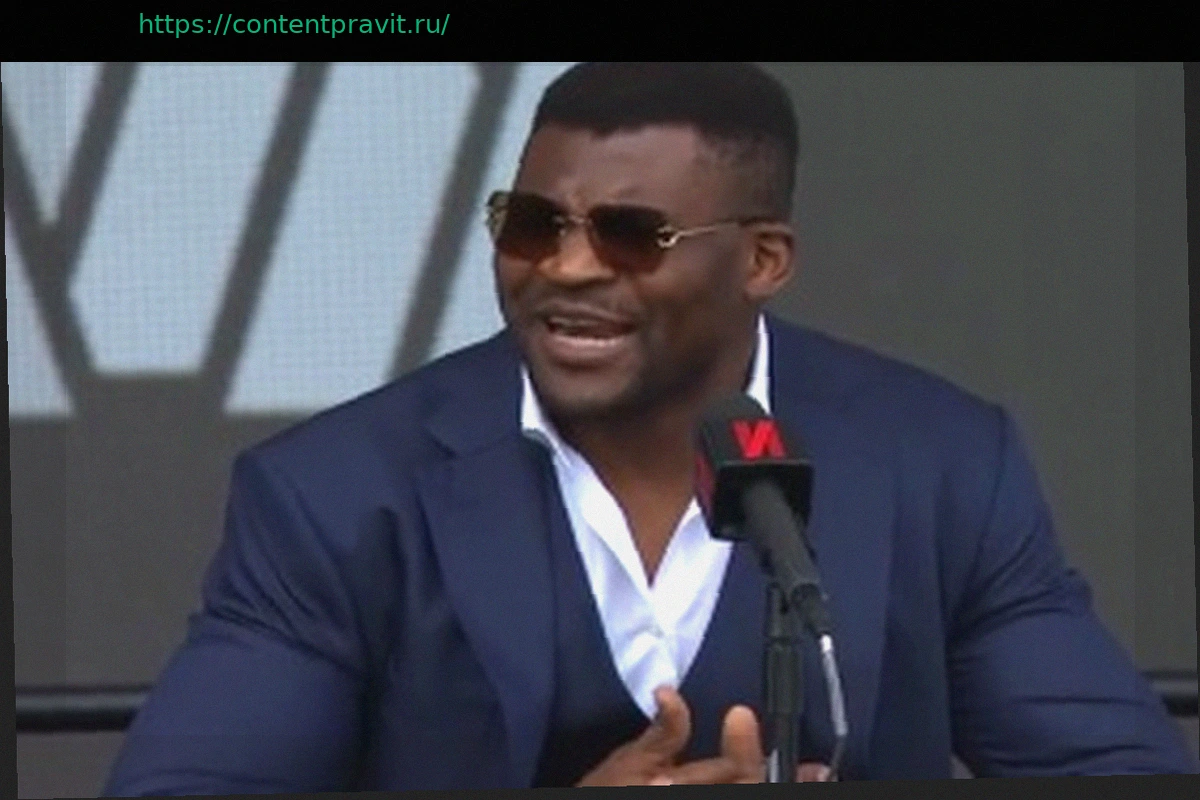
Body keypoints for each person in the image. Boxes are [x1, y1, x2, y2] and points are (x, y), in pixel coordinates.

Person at [104, 62, 1197, 795]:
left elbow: (1120, 776)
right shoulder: (338, 492)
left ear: (763, 259)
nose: (566, 266)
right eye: (532, 223)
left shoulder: (940, 462)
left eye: (631, 234)